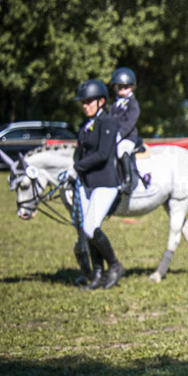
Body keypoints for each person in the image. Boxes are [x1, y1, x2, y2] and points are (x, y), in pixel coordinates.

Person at [72, 79, 126, 290]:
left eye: (88, 101)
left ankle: (114, 265)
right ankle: (97, 275)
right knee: (88, 231)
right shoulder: (85, 124)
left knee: (91, 227)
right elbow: (81, 151)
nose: (84, 105)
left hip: (105, 183)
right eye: (82, 102)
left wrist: (77, 167)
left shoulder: (109, 122)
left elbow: (103, 154)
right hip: (86, 183)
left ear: (101, 101)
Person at [109, 66, 144, 193]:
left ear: (132, 87)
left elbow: (131, 121)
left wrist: (119, 134)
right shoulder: (113, 105)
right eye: (119, 87)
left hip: (127, 136)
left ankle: (127, 181)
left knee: (121, 150)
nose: (122, 89)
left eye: (126, 87)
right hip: (113, 136)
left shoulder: (132, 103)